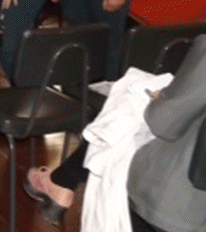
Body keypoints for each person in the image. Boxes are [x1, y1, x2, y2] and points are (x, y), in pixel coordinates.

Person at [25, 34, 206, 232]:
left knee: (122, 123)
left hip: (180, 201)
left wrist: (159, 100)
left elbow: (162, 122)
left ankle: (62, 181)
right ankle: (61, 180)